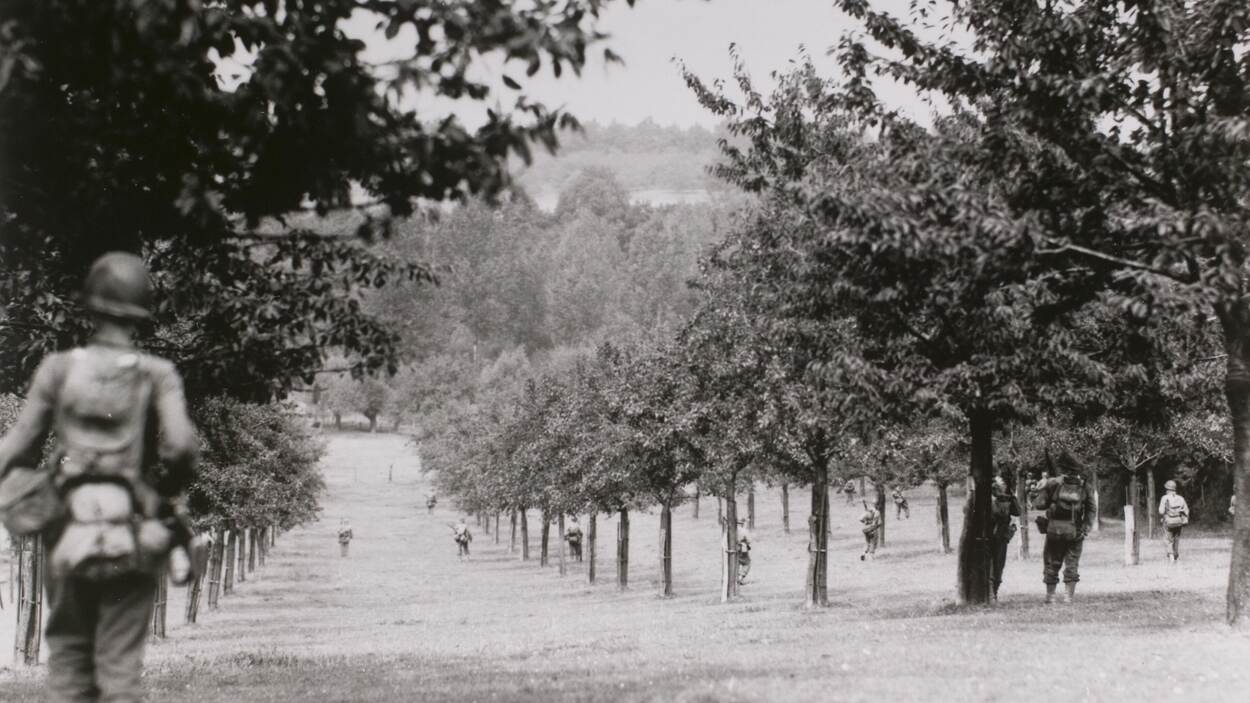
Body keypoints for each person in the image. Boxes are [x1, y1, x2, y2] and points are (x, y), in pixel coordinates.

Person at [0, 252, 198, 702]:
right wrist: (159, 496)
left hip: (70, 528)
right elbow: (182, 447)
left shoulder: (58, 369)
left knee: (69, 661)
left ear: (89, 306)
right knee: (120, 669)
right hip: (131, 529)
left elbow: (15, 447)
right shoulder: (157, 374)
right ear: (142, 312)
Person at [1032, 451, 1096, 603]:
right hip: (1075, 530)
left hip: (1054, 530)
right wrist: (1086, 528)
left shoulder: (1054, 483)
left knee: (1051, 562)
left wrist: (1042, 488)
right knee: (1072, 563)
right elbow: (1091, 509)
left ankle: (1051, 597)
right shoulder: (1084, 485)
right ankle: (1068, 598)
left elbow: (1039, 504)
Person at [989, 475, 1021, 601]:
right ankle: (991, 594)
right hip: (991, 536)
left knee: (997, 565)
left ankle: (993, 593)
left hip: (1000, 536)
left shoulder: (1005, 501)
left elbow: (1018, 511)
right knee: (993, 564)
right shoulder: (991, 501)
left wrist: (1011, 497)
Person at [1158, 480, 1190, 563]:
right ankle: (1176, 556)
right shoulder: (1181, 498)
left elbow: (1161, 511)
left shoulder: (1164, 498)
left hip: (1168, 521)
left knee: (1168, 539)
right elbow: (1186, 511)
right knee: (1176, 539)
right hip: (1179, 522)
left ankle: (1171, 557)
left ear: (1167, 489)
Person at [735, 519, 752, 584]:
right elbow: (749, 540)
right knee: (747, 563)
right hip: (742, 549)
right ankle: (740, 577)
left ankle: (734, 578)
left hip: (732, 549)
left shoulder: (729, 530)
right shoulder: (743, 530)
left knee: (735, 563)